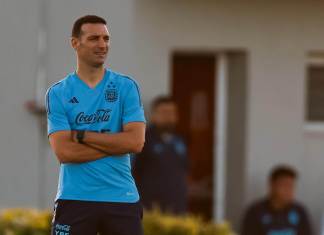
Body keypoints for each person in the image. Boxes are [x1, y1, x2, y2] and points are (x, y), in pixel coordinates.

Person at [46, 15, 146, 235]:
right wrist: (116, 143)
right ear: (75, 43)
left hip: (122, 198)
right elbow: (65, 152)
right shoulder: (58, 93)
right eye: (94, 38)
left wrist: (83, 136)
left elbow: (136, 142)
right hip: (74, 198)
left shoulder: (126, 87)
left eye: (106, 38)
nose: (102, 45)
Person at [132, 96, 188, 215]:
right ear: (153, 115)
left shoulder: (180, 141)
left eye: (172, 112)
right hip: (150, 209)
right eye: (164, 112)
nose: (168, 117)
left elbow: (185, 170)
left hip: (177, 207)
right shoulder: (142, 140)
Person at [241, 165, 313, 235]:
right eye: (285, 185)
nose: (288, 190)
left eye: (291, 186)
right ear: (272, 185)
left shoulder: (300, 212)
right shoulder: (255, 212)